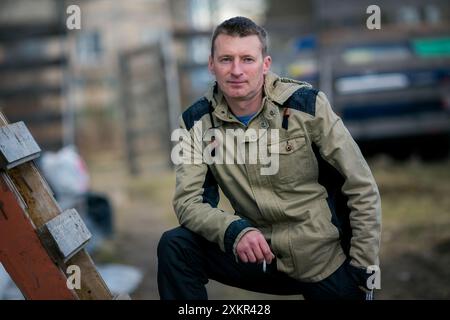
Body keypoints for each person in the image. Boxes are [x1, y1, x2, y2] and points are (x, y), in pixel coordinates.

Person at [158, 16, 381, 300]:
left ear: (265, 64)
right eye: (226, 59)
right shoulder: (195, 123)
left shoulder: (308, 107)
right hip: (256, 251)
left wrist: (363, 270)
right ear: (211, 65)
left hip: (321, 257)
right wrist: (234, 231)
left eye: (247, 59)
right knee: (175, 246)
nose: (236, 70)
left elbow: (361, 186)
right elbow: (188, 203)